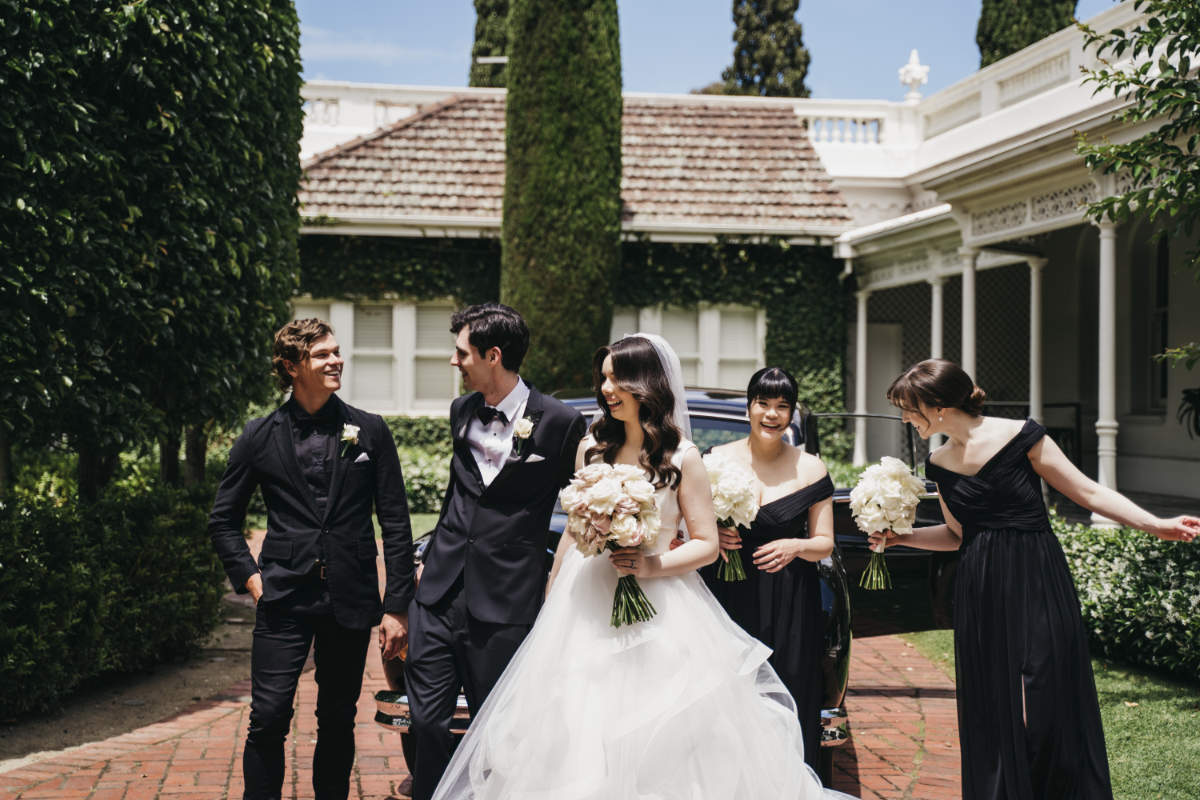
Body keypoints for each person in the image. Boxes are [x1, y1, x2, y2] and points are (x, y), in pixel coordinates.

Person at [430, 334, 854, 800]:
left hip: (661, 602)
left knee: (661, 726)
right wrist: (553, 600)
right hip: (583, 600)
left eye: (617, 378)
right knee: (577, 718)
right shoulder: (591, 447)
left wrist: (650, 565)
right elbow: (573, 531)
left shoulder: (682, 457)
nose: (607, 388)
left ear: (645, 383)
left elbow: (707, 545)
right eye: (604, 378)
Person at [871, 358, 1199, 800]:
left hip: (1036, 573)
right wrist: (898, 539)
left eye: (909, 409)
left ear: (938, 405)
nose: (905, 419)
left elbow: (1088, 491)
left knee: (1049, 686)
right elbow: (956, 534)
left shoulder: (1021, 434)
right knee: (989, 697)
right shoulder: (939, 461)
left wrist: (1154, 524)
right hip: (979, 583)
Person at [209, 318, 415, 800]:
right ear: (291, 366)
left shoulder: (369, 430)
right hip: (283, 595)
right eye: (322, 354)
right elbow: (223, 519)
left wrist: (397, 605)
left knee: (338, 719)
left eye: (336, 351)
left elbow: (396, 523)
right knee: (268, 717)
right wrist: (251, 579)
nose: (336, 360)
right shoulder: (260, 435)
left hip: (350, 595)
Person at [405, 303, 587, 800]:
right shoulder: (460, 411)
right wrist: (423, 562)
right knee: (424, 723)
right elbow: (458, 495)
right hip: (439, 592)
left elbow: (585, 506)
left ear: (494, 355)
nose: (453, 362)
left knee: (500, 733)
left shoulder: (562, 423)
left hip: (507, 599)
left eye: (461, 352)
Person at [700, 366, 834, 774]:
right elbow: (686, 525)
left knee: (789, 689)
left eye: (782, 406)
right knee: (727, 692)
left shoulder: (811, 468)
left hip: (790, 598)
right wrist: (713, 534)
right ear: (749, 408)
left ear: (791, 413)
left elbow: (824, 542)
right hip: (726, 593)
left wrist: (797, 545)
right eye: (763, 404)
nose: (772, 414)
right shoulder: (716, 461)